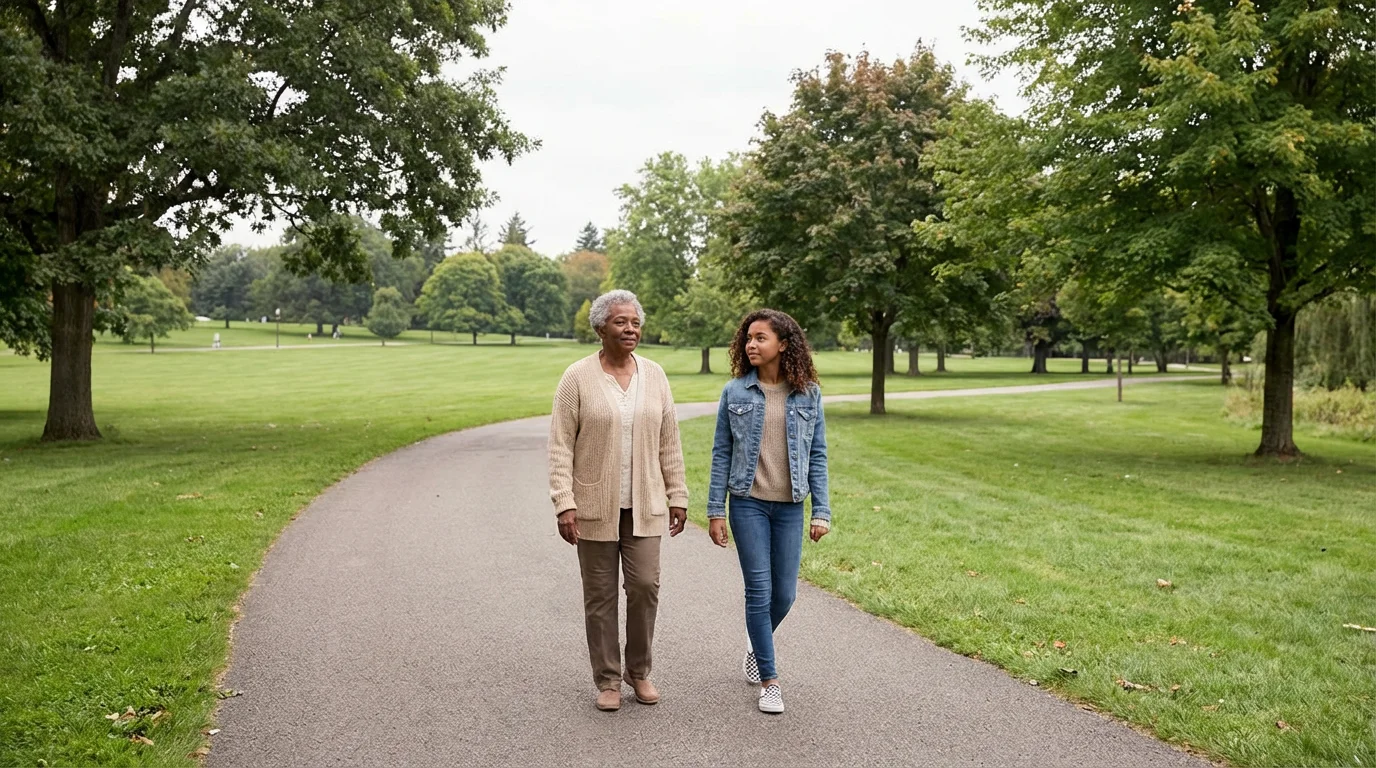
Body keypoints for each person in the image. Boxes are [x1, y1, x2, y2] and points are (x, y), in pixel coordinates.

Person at [547, 289, 689, 712]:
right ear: (600, 328)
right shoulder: (576, 377)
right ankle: (608, 679)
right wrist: (563, 501)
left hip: (645, 504)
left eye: (635, 322)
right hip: (593, 507)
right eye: (621, 322)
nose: (630, 329)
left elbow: (670, 441)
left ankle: (639, 671)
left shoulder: (656, 375)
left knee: (645, 586)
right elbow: (559, 446)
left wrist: (677, 492)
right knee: (600, 595)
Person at [706, 308, 831, 714]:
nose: (751, 344)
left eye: (761, 337)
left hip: (791, 507)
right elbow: (721, 453)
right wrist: (715, 511)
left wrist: (821, 510)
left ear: (784, 344)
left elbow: (818, 455)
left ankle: (756, 643)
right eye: (748, 338)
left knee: (786, 594)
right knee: (759, 591)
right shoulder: (735, 392)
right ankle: (770, 681)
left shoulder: (808, 393)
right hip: (748, 504)